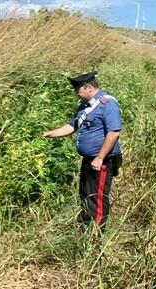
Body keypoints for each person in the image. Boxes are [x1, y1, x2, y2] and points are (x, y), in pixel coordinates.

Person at [42, 71, 123, 232]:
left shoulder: (108, 104)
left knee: (97, 199)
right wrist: (49, 134)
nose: (75, 94)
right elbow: (72, 126)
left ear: (88, 88)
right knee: (86, 195)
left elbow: (114, 132)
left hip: (101, 161)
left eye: (77, 90)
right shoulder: (85, 106)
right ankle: (84, 231)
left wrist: (100, 158)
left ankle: (96, 238)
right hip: (89, 160)